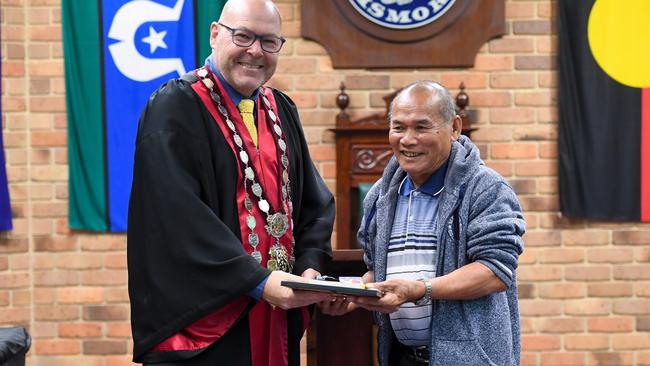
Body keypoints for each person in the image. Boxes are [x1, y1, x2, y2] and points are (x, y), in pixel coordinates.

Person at [127, 0, 334, 365]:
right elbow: (176, 218)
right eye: (243, 36)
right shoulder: (175, 106)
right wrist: (256, 281)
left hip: (275, 314)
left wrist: (309, 269)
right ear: (215, 34)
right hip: (208, 328)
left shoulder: (280, 108)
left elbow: (313, 203)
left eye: (269, 41)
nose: (255, 51)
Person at [320, 81, 525, 366]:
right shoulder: (380, 195)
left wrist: (420, 289)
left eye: (421, 127)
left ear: (454, 128)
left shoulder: (486, 188)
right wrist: (353, 295)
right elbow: (377, 270)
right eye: (399, 127)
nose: (407, 139)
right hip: (402, 358)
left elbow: (496, 271)